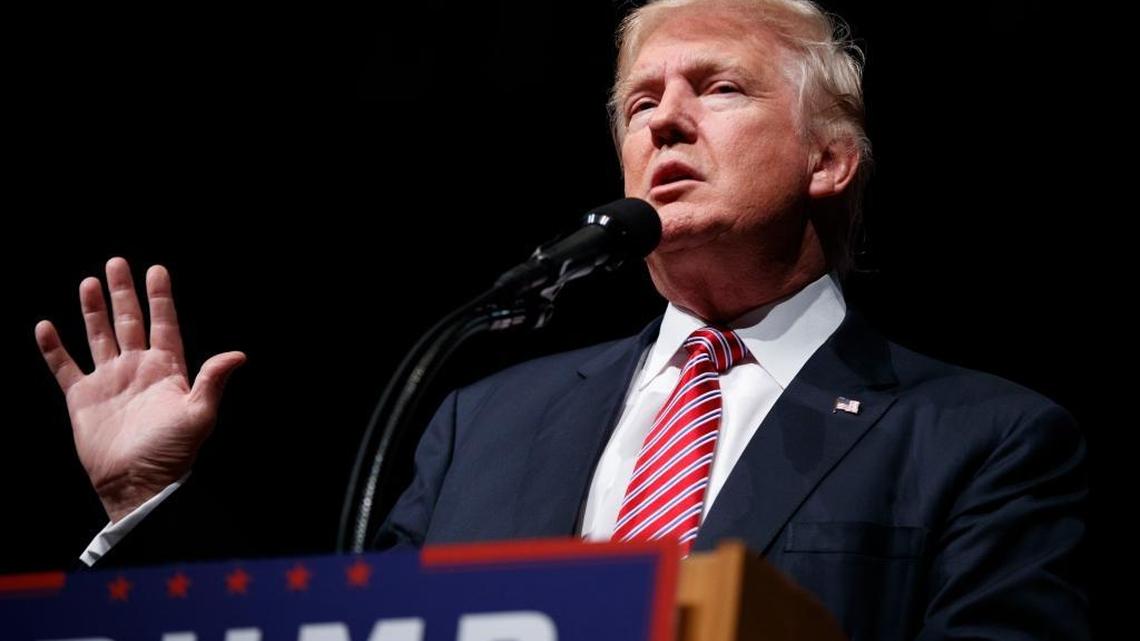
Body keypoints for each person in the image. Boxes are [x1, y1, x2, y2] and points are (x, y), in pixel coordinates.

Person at [36, 1, 1088, 638]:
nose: (666, 117)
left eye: (718, 88)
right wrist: (152, 498)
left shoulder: (982, 437)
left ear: (830, 159)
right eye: (641, 103)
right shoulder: (483, 417)